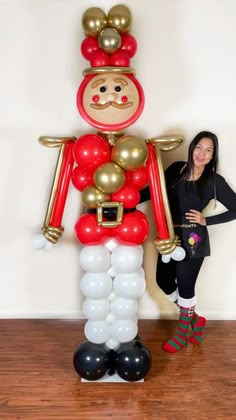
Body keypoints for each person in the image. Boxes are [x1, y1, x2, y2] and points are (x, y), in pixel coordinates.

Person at [140, 131, 236, 353]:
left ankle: (183, 332)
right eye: (199, 147)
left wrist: (206, 220)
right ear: (192, 147)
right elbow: (154, 192)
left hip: (194, 242)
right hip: (169, 238)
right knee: (163, 280)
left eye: (208, 150)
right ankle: (195, 319)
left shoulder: (213, 180)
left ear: (213, 156)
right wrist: (128, 200)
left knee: (185, 285)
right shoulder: (176, 170)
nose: (202, 153)